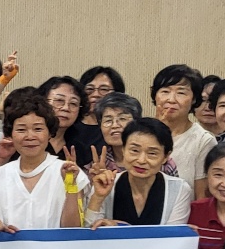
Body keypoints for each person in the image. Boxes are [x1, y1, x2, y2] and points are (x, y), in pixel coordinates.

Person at [0, 90, 79, 230]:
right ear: (10, 134)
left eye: (38, 129)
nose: (30, 136)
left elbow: (74, 230)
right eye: (21, 130)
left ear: (50, 133)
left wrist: (71, 185)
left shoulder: (69, 172)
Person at [85, 118, 193, 226]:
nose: (141, 160)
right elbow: (90, 230)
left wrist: (120, 229)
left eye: (152, 153)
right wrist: (98, 197)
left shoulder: (179, 189)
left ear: (165, 157)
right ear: (123, 150)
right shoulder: (106, 184)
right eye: (135, 150)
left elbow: (172, 234)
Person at [151, 64, 217, 196]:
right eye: (165, 91)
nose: (171, 99)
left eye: (181, 93)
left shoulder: (203, 141)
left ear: (194, 99)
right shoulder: (140, 132)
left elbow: (201, 198)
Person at [94, 92, 179, 178]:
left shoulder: (161, 162)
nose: (115, 125)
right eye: (108, 120)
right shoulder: (97, 164)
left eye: (122, 118)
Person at [39, 75, 94, 163]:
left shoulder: (80, 149)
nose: (66, 108)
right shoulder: (30, 140)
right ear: (43, 102)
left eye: (73, 103)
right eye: (59, 100)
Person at [77, 65, 126, 148]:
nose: (95, 94)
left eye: (104, 89)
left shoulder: (122, 127)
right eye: (89, 89)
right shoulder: (70, 124)